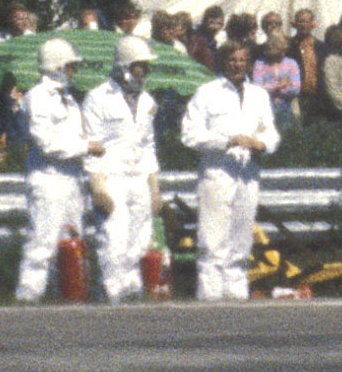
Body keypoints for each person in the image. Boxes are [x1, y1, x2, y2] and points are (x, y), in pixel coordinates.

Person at [181, 36, 276, 302]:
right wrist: (226, 141)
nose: (238, 65)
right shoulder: (207, 92)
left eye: (243, 60)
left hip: (248, 173)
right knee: (213, 240)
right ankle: (210, 298)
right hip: (217, 172)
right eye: (233, 60)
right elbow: (190, 134)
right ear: (224, 61)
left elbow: (271, 133)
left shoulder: (259, 95)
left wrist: (261, 143)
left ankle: (236, 296)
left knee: (242, 239)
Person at [85, 30, 169, 300]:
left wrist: (155, 189)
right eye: (138, 66)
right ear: (124, 66)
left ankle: (134, 298)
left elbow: (149, 147)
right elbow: (89, 145)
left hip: (139, 180)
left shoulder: (147, 102)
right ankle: (112, 295)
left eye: (146, 66)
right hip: (111, 178)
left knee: (142, 239)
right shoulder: (97, 97)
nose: (143, 71)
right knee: (113, 239)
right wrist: (97, 186)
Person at [12, 34, 95, 301]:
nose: (74, 71)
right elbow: (46, 143)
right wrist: (86, 147)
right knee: (43, 241)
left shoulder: (70, 100)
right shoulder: (37, 97)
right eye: (71, 66)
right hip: (48, 177)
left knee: (72, 241)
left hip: (72, 178)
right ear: (57, 66)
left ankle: (69, 296)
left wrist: (87, 145)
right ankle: (28, 296)